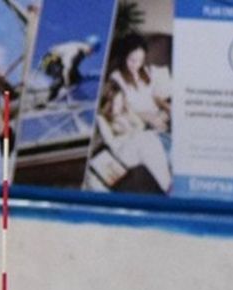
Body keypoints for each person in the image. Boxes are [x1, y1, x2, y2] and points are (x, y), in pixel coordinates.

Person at [96, 34, 172, 193]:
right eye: (132, 60)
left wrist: (167, 108)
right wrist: (150, 118)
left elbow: (154, 96)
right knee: (158, 145)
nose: (136, 65)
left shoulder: (144, 71)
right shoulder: (116, 78)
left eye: (140, 60)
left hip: (156, 116)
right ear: (124, 56)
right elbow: (123, 108)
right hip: (142, 120)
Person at [41, 35, 98, 102]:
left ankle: (63, 93)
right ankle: (49, 100)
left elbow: (72, 68)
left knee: (77, 79)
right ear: (87, 44)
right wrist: (67, 83)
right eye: (92, 49)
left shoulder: (82, 51)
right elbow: (66, 70)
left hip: (58, 63)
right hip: (49, 62)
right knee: (62, 77)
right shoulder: (75, 51)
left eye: (94, 51)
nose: (91, 53)